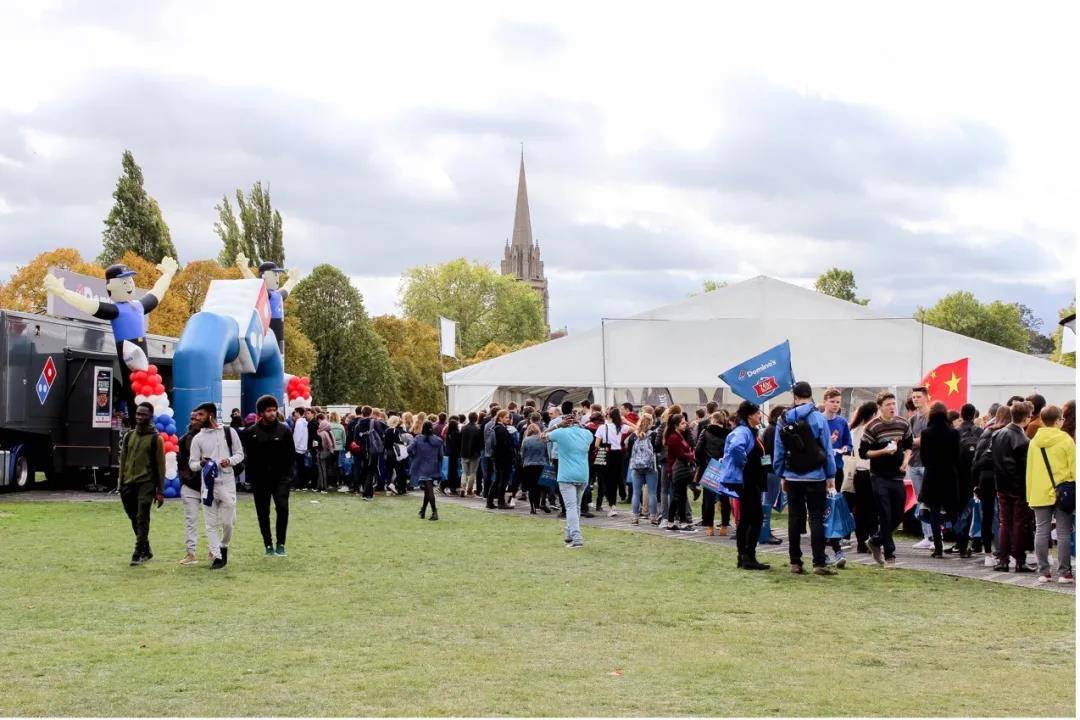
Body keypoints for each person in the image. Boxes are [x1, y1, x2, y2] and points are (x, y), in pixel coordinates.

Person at [774, 382, 837, 575]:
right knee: (816, 517)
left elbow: (779, 450)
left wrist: (781, 473)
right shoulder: (818, 418)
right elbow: (827, 449)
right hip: (816, 475)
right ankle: (819, 562)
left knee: (794, 518)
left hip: (792, 476)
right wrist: (830, 474)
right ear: (810, 395)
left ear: (794, 396)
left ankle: (795, 562)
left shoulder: (783, 419)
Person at [859, 391, 914, 567]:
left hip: (897, 476)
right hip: (878, 476)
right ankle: (890, 555)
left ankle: (875, 540)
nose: (892, 407)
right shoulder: (872, 426)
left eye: (893, 403)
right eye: (888, 404)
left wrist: (905, 461)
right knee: (885, 513)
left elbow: (909, 446)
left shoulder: (903, 423)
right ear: (880, 407)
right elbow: (863, 453)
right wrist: (882, 451)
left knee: (898, 515)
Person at [188, 402, 245, 570]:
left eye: (201, 415)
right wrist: (201, 463)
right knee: (210, 523)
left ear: (211, 416)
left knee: (229, 522)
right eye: (196, 415)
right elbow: (192, 464)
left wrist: (230, 461)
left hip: (227, 482)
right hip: (208, 484)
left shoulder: (229, 432)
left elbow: (240, 454)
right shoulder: (197, 438)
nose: (197, 418)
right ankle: (217, 557)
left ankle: (223, 546)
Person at [1026, 404, 1075, 584]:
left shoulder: (1033, 442)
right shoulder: (1066, 440)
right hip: (1063, 491)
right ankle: (1064, 572)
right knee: (1063, 532)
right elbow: (1074, 468)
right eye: (1061, 419)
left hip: (1039, 491)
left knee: (1041, 531)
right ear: (1057, 421)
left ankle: (1044, 572)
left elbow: (1029, 470)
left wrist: (1030, 494)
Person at [243, 394, 295, 557]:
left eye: (274, 410)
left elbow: (290, 454)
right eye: (268, 410)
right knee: (263, 512)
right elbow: (248, 457)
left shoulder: (284, 429)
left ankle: (281, 544)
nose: (272, 413)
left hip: (280, 478)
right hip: (260, 479)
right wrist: (251, 479)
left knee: (282, 508)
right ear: (261, 413)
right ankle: (268, 544)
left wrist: (288, 476)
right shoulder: (251, 432)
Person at [720, 401, 770, 570]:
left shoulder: (751, 432)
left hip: (751, 480)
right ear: (749, 415)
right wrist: (745, 463)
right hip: (747, 481)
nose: (760, 415)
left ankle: (744, 556)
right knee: (755, 519)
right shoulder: (743, 431)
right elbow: (735, 448)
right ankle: (748, 556)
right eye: (757, 413)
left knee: (748, 519)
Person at [119, 401, 166, 566]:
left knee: (142, 518)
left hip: (146, 483)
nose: (139, 417)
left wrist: (160, 491)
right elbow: (123, 461)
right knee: (134, 518)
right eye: (138, 414)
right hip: (128, 484)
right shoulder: (128, 436)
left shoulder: (156, 439)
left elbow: (161, 466)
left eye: (143, 414)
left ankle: (138, 552)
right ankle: (147, 549)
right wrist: (121, 484)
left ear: (150, 416)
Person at [991, 401, 1034, 573]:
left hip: (1001, 484)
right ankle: (1019, 560)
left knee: (1004, 522)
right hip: (1017, 488)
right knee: (1019, 524)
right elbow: (1024, 468)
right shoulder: (1023, 440)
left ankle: (1003, 559)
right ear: (1026, 418)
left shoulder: (997, 434)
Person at [544, 412, 594, 548]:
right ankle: (569, 534)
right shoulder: (587, 434)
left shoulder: (560, 432)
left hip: (566, 475)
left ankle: (577, 538)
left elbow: (542, 437)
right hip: (583, 474)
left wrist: (556, 426)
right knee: (576, 507)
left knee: (571, 507)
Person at [918, 402, 961, 558]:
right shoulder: (954, 433)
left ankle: (937, 548)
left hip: (932, 477)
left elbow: (923, 458)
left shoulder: (926, 433)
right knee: (953, 512)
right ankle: (962, 546)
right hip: (949, 475)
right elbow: (957, 457)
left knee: (935, 512)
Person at [972, 405, 1012, 565]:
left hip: (985, 477)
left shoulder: (987, 431)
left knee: (987, 516)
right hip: (1003, 478)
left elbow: (976, 459)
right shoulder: (1009, 434)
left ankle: (988, 553)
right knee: (1006, 517)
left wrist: (975, 483)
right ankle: (1005, 552)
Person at [823, 388, 853, 564]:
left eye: (837, 402)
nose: (835, 405)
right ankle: (822, 550)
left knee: (834, 508)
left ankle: (837, 549)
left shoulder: (842, 422)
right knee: (819, 510)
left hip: (837, 470)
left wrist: (844, 449)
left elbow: (848, 443)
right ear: (825, 401)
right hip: (820, 470)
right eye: (832, 401)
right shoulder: (818, 420)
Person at [844, 401, 879, 554]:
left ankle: (861, 541)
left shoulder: (854, 431)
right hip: (870, 472)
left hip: (858, 473)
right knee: (872, 510)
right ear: (873, 415)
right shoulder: (872, 431)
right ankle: (872, 538)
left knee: (860, 509)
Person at [906, 386, 935, 550]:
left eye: (918, 396)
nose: (915, 399)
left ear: (926, 397)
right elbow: (907, 437)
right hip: (914, 463)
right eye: (914, 397)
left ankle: (936, 535)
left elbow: (928, 438)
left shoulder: (931, 416)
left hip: (928, 463)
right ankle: (927, 535)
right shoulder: (913, 419)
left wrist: (913, 441)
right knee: (920, 500)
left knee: (930, 499)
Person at [695, 411, 731, 536]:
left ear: (713, 420)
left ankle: (709, 527)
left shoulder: (705, 432)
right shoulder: (729, 433)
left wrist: (702, 462)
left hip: (709, 468)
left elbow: (698, 450)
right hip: (724, 468)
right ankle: (724, 526)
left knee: (709, 499)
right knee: (725, 498)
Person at [177, 411, 203, 565]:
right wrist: (186, 479)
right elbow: (181, 462)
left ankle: (213, 550)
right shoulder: (184, 439)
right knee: (190, 520)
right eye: (192, 418)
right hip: (190, 485)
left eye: (198, 417)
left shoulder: (214, 437)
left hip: (209, 484)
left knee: (213, 522)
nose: (194, 421)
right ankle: (190, 553)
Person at [594, 407, 631, 517]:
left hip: (607, 454)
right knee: (618, 477)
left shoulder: (602, 427)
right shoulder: (621, 426)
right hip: (619, 454)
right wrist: (626, 421)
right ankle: (621, 492)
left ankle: (612, 506)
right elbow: (637, 429)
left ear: (608, 416)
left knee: (608, 481)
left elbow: (596, 444)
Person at [664, 413, 697, 532]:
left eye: (685, 422)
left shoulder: (680, 435)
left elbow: (687, 449)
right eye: (682, 423)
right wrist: (691, 455)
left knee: (679, 497)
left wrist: (689, 454)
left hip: (681, 470)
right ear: (676, 425)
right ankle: (679, 522)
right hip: (677, 470)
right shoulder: (674, 437)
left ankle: (673, 522)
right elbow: (681, 455)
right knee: (679, 497)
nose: (685, 424)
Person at [626, 413, 659, 525]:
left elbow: (628, 452)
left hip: (636, 467)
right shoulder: (654, 435)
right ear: (651, 422)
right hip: (650, 467)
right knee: (652, 493)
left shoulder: (633, 435)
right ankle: (653, 517)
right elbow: (657, 449)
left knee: (636, 493)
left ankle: (635, 517)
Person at [759, 406, 785, 545]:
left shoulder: (770, 429)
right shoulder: (774, 430)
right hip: (772, 471)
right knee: (768, 502)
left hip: (768, 469)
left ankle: (765, 531)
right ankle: (764, 533)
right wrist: (771, 467)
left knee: (767, 501)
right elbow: (770, 452)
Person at [410, 421, 444, 521]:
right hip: (433, 466)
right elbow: (441, 456)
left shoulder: (418, 439)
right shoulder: (438, 440)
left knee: (429, 490)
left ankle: (434, 512)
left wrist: (415, 456)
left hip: (421, 466)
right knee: (428, 489)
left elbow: (409, 449)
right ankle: (423, 510)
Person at [519, 424, 549, 513]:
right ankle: (541, 502)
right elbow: (546, 453)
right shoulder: (543, 439)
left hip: (529, 465)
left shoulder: (526, 440)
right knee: (543, 486)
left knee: (531, 487)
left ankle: (533, 508)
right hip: (541, 464)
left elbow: (522, 454)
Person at [489, 410, 515, 509]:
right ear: (500, 418)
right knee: (502, 481)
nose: (508, 419)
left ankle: (491, 501)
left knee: (498, 480)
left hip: (498, 458)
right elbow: (505, 445)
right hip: (503, 459)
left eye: (509, 417)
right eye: (506, 417)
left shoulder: (496, 428)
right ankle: (500, 501)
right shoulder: (501, 429)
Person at [460, 412, 483, 497]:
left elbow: (460, 440)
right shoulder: (478, 429)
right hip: (475, 454)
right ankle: (469, 490)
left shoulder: (464, 428)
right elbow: (481, 442)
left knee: (464, 472)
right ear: (476, 419)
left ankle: (462, 487)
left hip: (464, 453)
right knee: (473, 472)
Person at [314, 413, 336, 494]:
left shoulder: (321, 433)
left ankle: (323, 487)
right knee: (324, 470)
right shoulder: (329, 430)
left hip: (322, 452)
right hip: (328, 452)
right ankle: (320, 486)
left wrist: (316, 448)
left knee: (322, 470)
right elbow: (331, 443)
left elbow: (321, 444)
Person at [442, 417, 462, 495]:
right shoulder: (457, 434)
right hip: (456, 454)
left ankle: (448, 486)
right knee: (456, 471)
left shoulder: (448, 434)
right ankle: (454, 487)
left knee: (449, 471)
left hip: (449, 454)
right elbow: (459, 445)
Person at [292, 407, 308, 490]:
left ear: (298, 412)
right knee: (301, 467)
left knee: (298, 467)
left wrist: (293, 447)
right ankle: (302, 484)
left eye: (295, 412)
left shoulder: (299, 422)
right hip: (303, 447)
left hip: (297, 448)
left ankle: (298, 484)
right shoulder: (304, 422)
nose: (294, 414)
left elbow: (297, 436)